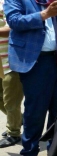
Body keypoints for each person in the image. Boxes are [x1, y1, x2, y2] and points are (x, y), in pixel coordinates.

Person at [4, 0, 57, 156]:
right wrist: (44, 14)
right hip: (35, 61)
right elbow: (14, 21)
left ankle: (54, 150)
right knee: (36, 109)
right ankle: (30, 153)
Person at [0, 0, 23, 148]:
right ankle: (17, 119)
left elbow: (14, 25)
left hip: (11, 58)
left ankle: (13, 133)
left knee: (11, 100)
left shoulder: (9, 3)